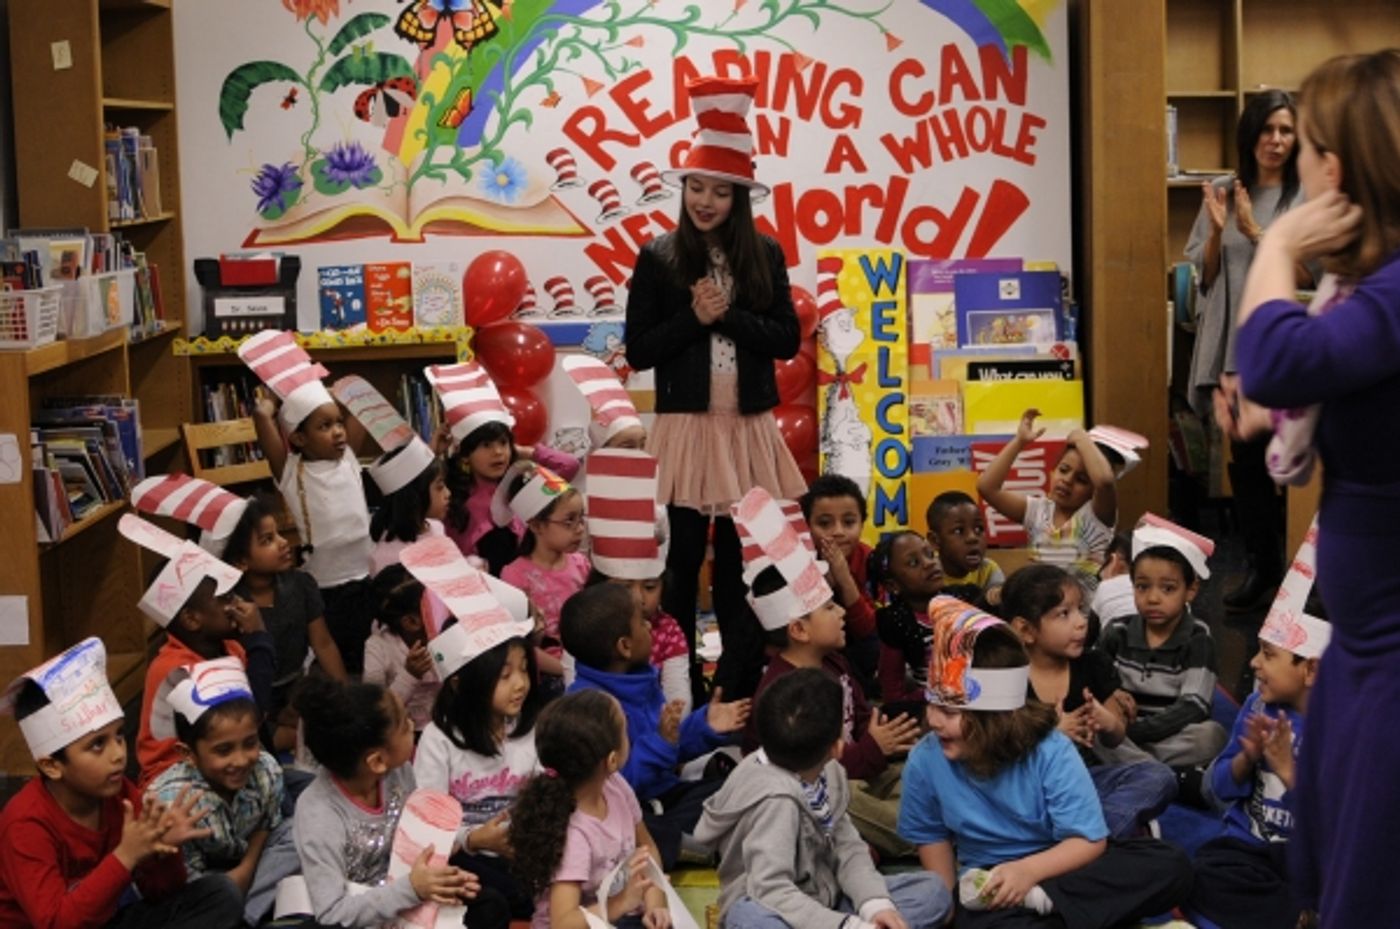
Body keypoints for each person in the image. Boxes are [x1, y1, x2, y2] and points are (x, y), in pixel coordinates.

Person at [1226, 48, 1400, 928]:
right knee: (1335, 865)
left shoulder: (1394, 291)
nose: (1296, 162)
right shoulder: (1371, 286)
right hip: (1362, 644)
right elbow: (1295, 376)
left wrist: (1283, 238)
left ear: (1339, 164)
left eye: (1309, 146)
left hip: (1388, 654)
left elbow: (1273, 353)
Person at [625, 75, 805, 702]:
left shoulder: (766, 254)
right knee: (675, 571)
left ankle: (737, 690)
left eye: (719, 191)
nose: (704, 201)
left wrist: (726, 313)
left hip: (747, 430)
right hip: (685, 431)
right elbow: (640, 347)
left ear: (739, 197)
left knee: (742, 569)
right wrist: (693, 319)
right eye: (695, 187)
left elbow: (785, 338)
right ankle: (678, 694)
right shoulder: (658, 256)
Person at [897, 599, 1193, 927]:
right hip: (991, 887)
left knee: (1171, 863)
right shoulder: (925, 760)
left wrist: (1028, 875)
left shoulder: (1049, 750)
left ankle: (1044, 902)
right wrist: (949, 914)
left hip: (1059, 870)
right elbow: (932, 840)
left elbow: (1087, 841)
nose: (934, 720)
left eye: (950, 712)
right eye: (931, 705)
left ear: (997, 718)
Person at [0, 638, 245, 929]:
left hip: (107, 921)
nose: (118, 754)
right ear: (52, 766)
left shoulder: (121, 795)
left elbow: (161, 893)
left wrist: (160, 850)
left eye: (118, 735)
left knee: (220, 894)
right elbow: (56, 922)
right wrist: (126, 855)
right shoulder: (25, 822)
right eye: (97, 745)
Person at [735, 487, 919, 858]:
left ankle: (873, 839)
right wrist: (873, 748)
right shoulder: (785, 691)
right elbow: (804, 768)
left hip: (859, 768)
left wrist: (880, 737)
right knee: (845, 798)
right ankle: (905, 837)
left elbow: (861, 712)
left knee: (917, 778)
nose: (840, 613)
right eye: (828, 608)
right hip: (808, 785)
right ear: (799, 630)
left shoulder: (834, 660)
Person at [696, 668, 951, 929]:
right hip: (774, 908)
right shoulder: (774, 800)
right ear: (837, 747)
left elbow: (849, 847)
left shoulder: (829, 771)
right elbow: (771, 889)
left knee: (932, 892)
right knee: (751, 920)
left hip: (828, 895)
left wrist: (874, 905)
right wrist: (846, 926)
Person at [1187, 90, 1310, 612]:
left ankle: (1307, 579)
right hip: (1236, 350)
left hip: (1292, 347)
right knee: (1251, 467)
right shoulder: (1221, 189)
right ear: (1250, 135)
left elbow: (1313, 278)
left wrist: (1259, 233)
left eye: (1286, 131)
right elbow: (1205, 277)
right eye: (1268, 130)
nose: (1277, 141)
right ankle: (1265, 567)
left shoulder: (1307, 197)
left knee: (1304, 466)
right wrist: (1217, 234)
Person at [291, 675, 507, 929]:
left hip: (405, 895)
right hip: (360, 914)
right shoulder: (318, 813)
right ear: (376, 761)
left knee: (490, 904)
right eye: (404, 725)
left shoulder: (398, 773)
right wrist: (413, 888)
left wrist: (471, 841)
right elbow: (332, 912)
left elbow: (424, 838)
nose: (412, 722)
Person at [561, 583, 749, 868]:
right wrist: (661, 742)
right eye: (641, 621)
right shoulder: (588, 706)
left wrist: (704, 726)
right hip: (625, 810)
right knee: (623, 833)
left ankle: (694, 842)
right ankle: (685, 845)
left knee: (738, 787)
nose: (649, 626)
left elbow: (671, 746)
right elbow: (617, 786)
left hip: (666, 796)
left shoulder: (641, 679)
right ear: (624, 646)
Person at [403, 534, 542, 919]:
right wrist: (475, 838)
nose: (520, 684)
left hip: (521, 848)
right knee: (496, 898)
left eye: (524, 670)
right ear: (463, 684)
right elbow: (427, 831)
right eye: (504, 675)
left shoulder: (527, 727)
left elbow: (546, 788)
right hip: (465, 854)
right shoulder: (439, 739)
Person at [1187, 585, 1328, 929]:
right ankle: (1298, 917)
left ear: (1311, 670)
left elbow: (1340, 827)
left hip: (1312, 859)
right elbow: (1215, 790)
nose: (1254, 662)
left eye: (1267, 653)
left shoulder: (1344, 730)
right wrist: (1245, 759)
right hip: (1251, 850)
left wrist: (1289, 773)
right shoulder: (1258, 706)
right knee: (1196, 872)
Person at [1001, 564, 1177, 839]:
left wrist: (1107, 722)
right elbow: (1002, 751)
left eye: (1080, 609)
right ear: (1025, 630)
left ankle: (1091, 839)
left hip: (1089, 780)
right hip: (1034, 790)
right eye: (1064, 614)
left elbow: (1115, 739)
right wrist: (1053, 736)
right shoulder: (1009, 678)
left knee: (1158, 777)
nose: (1081, 621)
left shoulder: (1093, 664)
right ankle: (1098, 838)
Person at [241, 330, 376, 674]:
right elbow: (262, 417)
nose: (338, 432)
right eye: (324, 426)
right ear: (299, 438)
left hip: (363, 576)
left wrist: (328, 393)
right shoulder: (291, 471)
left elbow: (360, 405)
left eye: (338, 423)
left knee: (365, 649)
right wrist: (273, 402)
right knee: (332, 652)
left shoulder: (348, 458)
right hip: (323, 585)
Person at [118, 515, 274, 788]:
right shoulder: (175, 669)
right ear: (192, 619)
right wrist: (259, 635)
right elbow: (251, 713)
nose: (239, 603)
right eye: (226, 598)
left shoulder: (231, 647)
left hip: (225, 761)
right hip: (178, 777)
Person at [145, 659, 297, 927]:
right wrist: (234, 882)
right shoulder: (171, 802)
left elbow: (268, 825)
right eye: (223, 750)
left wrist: (246, 868)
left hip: (248, 862)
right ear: (188, 754)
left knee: (300, 830)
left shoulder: (266, 769)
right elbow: (189, 885)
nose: (241, 760)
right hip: (202, 883)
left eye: (250, 743)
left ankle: (243, 918)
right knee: (218, 894)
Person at [508, 690, 673, 929]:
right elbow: (563, 923)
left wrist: (656, 904)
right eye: (624, 731)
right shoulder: (575, 835)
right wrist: (621, 903)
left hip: (620, 913)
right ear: (612, 760)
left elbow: (646, 850)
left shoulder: (615, 785)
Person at [1097, 516, 1227, 802]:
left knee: (1211, 736)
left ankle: (1137, 768)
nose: (1153, 598)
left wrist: (1132, 734)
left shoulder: (1198, 638)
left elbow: (1194, 706)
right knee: (1090, 732)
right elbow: (1095, 681)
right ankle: (1165, 776)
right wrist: (1111, 698)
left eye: (1167, 588)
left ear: (1190, 590)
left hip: (1163, 735)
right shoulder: (1117, 630)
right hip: (1120, 732)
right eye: (1143, 587)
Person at [221, 492, 347, 751]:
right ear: (241, 561)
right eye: (267, 540)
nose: (282, 543)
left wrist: (347, 696)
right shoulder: (232, 606)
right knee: (289, 740)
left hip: (296, 689)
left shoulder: (301, 585)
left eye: (278, 534)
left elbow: (323, 644)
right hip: (254, 695)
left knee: (332, 722)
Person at [427, 360, 579, 575]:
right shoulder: (453, 494)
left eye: (502, 443)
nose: (498, 452)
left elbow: (569, 466)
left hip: (523, 584)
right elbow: (414, 497)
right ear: (466, 454)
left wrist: (524, 451)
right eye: (486, 445)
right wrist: (432, 451)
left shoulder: (521, 484)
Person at [584, 448, 692, 711]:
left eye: (650, 587)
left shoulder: (668, 632)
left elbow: (679, 702)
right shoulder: (585, 627)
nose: (638, 597)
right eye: (624, 586)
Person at [976, 411, 1119, 593]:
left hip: (1084, 619)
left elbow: (1105, 481)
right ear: (1052, 471)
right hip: (1041, 615)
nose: (1067, 480)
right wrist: (1019, 442)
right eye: (1063, 469)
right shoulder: (1037, 511)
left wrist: (1082, 439)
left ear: (1093, 491)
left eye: (1081, 480)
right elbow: (987, 487)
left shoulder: (1097, 516)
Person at [498, 461, 589, 693]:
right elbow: (519, 644)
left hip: (585, 661)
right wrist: (564, 669)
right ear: (537, 525)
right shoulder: (515, 575)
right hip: (546, 674)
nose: (579, 529)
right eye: (569, 521)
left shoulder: (581, 564)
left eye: (581, 519)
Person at [800, 474, 880, 696]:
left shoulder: (871, 561)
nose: (838, 532)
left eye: (849, 522)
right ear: (807, 526)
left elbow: (869, 632)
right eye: (824, 523)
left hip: (858, 653)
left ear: (862, 523)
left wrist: (844, 578)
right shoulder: (799, 561)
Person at [868, 530, 945, 710]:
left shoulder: (961, 598)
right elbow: (892, 691)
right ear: (893, 585)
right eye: (913, 563)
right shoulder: (896, 621)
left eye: (929, 554)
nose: (929, 563)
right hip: (931, 707)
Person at [363, 565, 442, 733]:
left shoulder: (444, 636)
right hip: (402, 733)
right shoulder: (377, 646)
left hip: (442, 727)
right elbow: (374, 711)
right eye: (432, 607)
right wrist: (410, 675)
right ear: (410, 622)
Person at [367, 433, 452, 576]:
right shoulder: (387, 558)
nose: (448, 493)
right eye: (440, 487)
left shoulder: (437, 528)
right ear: (414, 496)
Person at [926, 491, 1004, 605]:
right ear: (935, 540)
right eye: (959, 531)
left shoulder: (988, 570)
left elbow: (1001, 608)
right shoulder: (929, 573)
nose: (972, 538)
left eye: (978, 529)